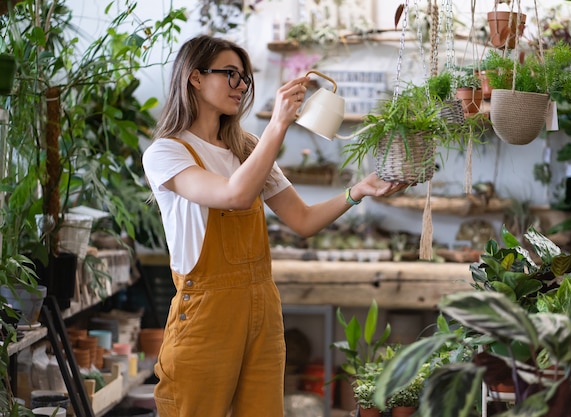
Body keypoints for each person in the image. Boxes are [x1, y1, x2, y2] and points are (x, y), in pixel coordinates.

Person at [142, 35, 405, 417]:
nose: (241, 85)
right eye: (230, 74)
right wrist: (279, 124)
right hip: (205, 315)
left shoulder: (246, 148)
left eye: (245, 78)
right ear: (195, 78)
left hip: (262, 309)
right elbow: (234, 194)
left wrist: (358, 191)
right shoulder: (168, 152)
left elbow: (302, 220)